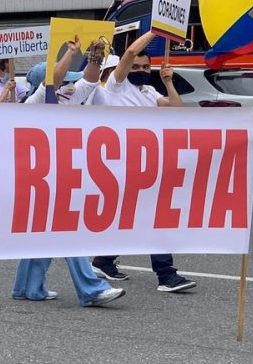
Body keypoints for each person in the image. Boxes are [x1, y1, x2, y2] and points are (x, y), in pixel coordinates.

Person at [78, 32, 197, 292]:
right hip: (123, 164)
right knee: (154, 216)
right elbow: (131, 52)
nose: (141, 70)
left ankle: (104, 260)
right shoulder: (115, 87)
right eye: (136, 67)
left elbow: (176, 109)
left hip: (148, 163)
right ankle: (166, 275)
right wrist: (158, 30)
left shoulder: (149, 90)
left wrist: (169, 83)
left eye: (146, 67)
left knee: (134, 216)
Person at [13, 43, 125, 307]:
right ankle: (91, 289)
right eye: (64, 82)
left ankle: (28, 287)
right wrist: (71, 54)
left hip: (57, 180)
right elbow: (56, 78)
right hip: (40, 181)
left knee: (43, 235)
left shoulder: (68, 99)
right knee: (68, 233)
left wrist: (95, 58)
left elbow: (89, 79)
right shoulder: (35, 103)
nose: (69, 86)